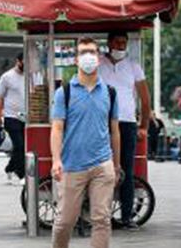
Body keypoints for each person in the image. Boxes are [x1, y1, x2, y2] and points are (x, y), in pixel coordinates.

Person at [51, 37, 120, 248]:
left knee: (102, 220)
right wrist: (56, 160)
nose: (88, 56)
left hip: (102, 164)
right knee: (65, 222)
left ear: (99, 58)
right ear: (75, 59)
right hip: (72, 166)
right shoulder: (65, 92)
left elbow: (115, 131)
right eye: (83, 52)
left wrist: (116, 165)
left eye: (91, 51)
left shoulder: (110, 92)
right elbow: (57, 128)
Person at [97, 31, 151, 231]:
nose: (121, 47)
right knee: (102, 169)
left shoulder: (133, 67)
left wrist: (144, 126)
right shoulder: (99, 65)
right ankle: (101, 215)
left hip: (127, 123)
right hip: (102, 122)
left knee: (126, 169)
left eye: (124, 43)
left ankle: (126, 216)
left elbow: (145, 100)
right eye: (118, 43)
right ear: (109, 43)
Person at [0, 52, 26, 184]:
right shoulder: (7, 77)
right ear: (18, 61)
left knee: (24, 147)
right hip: (11, 116)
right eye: (24, 61)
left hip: (27, 117)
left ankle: (10, 168)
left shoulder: (30, 75)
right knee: (19, 145)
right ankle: (20, 173)